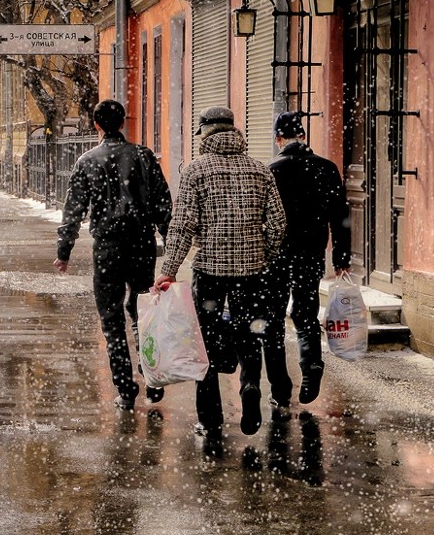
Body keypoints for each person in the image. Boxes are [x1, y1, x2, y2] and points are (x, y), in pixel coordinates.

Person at [153, 106, 286, 442]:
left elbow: (183, 225)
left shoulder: (196, 171)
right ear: (234, 133)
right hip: (252, 271)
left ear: (205, 135)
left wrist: (168, 270)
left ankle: (210, 419)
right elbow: (279, 223)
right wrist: (263, 253)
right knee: (249, 333)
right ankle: (251, 386)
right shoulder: (259, 169)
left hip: (210, 271)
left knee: (206, 344)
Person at [54, 99, 173, 411]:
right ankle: (151, 373)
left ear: (97, 125)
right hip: (141, 244)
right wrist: (168, 238)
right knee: (143, 310)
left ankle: (125, 387)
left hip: (108, 247)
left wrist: (64, 251)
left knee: (111, 319)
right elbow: (163, 203)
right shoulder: (144, 156)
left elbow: (73, 209)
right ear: (122, 123)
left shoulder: (88, 161)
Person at [262, 111, 351, 408]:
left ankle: (280, 389)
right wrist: (341, 256)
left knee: (273, 321)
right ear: (302, 135)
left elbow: (261, 218)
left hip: (276, 255)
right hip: (311, 252)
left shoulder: (271, 170)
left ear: (278, 138)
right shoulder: (326, 168)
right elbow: (340, 216)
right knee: (305, 313)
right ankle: (311, 364)